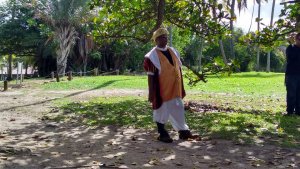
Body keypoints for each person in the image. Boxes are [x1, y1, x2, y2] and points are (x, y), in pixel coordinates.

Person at [143, 27, 198, 143]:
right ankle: (162, 133)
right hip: (162, 89)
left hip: (175, 87)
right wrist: (151, 93)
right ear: (156, 40)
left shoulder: (173, 51)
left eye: (166, 37)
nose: (165, 39)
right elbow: (151, 76)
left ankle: (183, 131)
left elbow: (178, 69)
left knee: (178, 108)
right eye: (162, 37)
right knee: (161, 110)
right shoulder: (151, 56)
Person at [285, 32, 300, 116]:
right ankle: (290, 111)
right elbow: (290, 58)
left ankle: (298, 111)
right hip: (291, 75)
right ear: (296, 39)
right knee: (291, 93)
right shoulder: (290, 48)